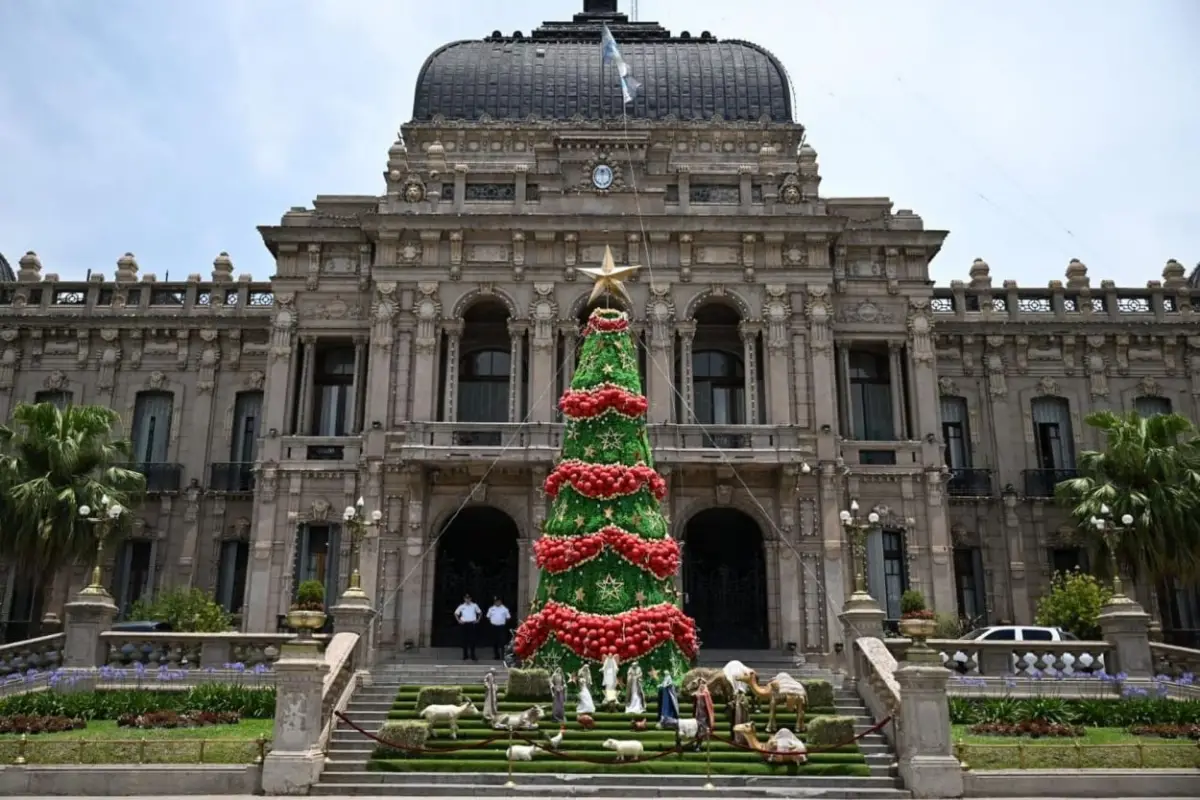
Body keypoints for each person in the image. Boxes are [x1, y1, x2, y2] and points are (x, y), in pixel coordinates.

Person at [454, 593, 482, 661]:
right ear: (464, 599)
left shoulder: (474, 605)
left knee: (472, 640)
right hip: (464, 624)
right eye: (466, 598)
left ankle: (473, 655)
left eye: (468, 598)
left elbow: (480, 612)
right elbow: (456, 613)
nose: (467, 599)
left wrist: (478, 620)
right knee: (464, 640)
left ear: (470, 599)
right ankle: (465, 655)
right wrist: (459, 620)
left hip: (472, 624)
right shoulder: (461, 606)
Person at [486, 596, 511, 660]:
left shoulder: (504, 609)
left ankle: (503, 655)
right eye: (496, 601)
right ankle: (496, 655)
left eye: (498, 601)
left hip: (501, 627)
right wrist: (493, 622)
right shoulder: (491, 609)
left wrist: (503, 622)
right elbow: (488, 617)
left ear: (500, 601)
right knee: (494, 642)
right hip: (494, 627)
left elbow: (508, 617)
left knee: (502, 641)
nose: (497, 602)